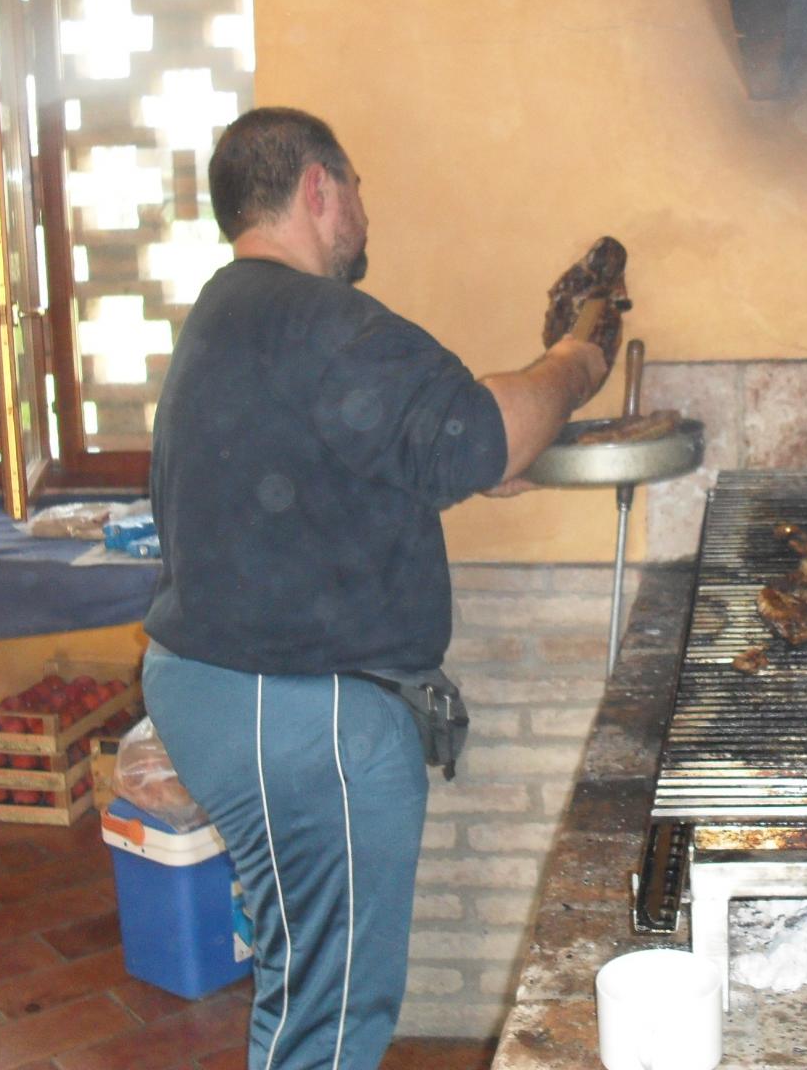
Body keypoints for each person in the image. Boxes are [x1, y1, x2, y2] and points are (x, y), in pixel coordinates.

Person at [140, 107, 608, 1070]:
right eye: (356, 186)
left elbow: (330, 464)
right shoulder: (320, 321)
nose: (365, 209)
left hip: (241, 691)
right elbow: (485, 434)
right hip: (293, 709)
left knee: (313, 983)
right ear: (319, 187)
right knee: (331, 1009)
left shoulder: (234, 314)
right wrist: (572, 366)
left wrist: (455, 456)